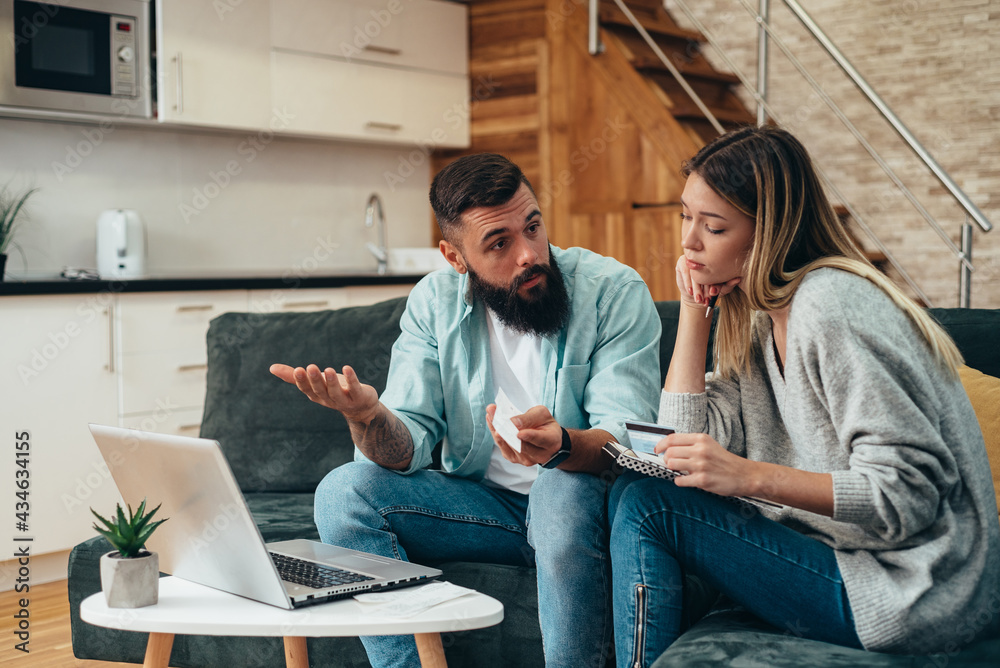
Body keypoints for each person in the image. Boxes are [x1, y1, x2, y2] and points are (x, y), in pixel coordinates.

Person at [609, 125, 1000, 667]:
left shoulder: (831, 308)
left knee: (650, 509)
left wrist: (749, 477)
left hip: (915, 589)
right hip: (842, 558)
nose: (688, 242)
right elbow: (676, 445)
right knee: (639, 493)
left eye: (714, 226)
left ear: (767, 232)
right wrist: (695, 313)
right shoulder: (759, 319)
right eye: (685, 216)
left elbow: (910, 495)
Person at [271, 153, 662, 668]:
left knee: (560, 488)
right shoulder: (434, 303)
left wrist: (563, 445)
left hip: (585, 506)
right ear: (455, 258)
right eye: (499, 243)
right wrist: (367, 416)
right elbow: (404, 447)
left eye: (533, 227)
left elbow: (629, 444)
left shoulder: (613, 291)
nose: (528, 254)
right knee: (342, 492)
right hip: (485, 509)